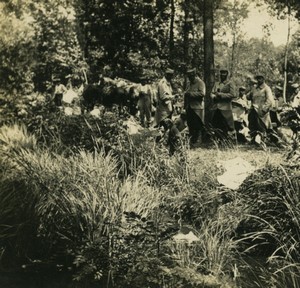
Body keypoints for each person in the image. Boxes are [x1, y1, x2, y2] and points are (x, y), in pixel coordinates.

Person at [247, 74, 275, 144]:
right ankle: (253, 139)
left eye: (260, 78)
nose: (258, 80)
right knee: (252, 125)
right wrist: (250, 87)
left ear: (263, 79)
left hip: (261, 111)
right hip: (253, 109)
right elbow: (248, 97)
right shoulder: (255, 88)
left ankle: (263, 141)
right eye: (257, 78)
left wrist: (264, 109)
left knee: (262, 126)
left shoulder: (266, 88)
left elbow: (270, 100)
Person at [211, 69, 236, 139]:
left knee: (227, 124)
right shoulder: (217, 84)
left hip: (226, 107)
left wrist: (221, 95)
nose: (222, 75)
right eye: (221, 73)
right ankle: (218, 139)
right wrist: (213, 96)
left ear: (227, 74)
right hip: (216, 107)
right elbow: (212, 93)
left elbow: (233, 94)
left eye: (224, 73)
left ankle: (228, 140)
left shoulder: (230, 83)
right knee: (216, 124)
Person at [184, 68, 206, 146]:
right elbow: (186, 94)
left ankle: (198, 140)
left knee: (198, 125)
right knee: (190, 124)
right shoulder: (189, 83)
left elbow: (202, 93)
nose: (190, 78)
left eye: (191, 76)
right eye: (189, 76)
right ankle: (191, 140)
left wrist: (191, 94)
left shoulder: (200, 83)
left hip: (197, 107)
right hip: (189, 107)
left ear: (194, 75)